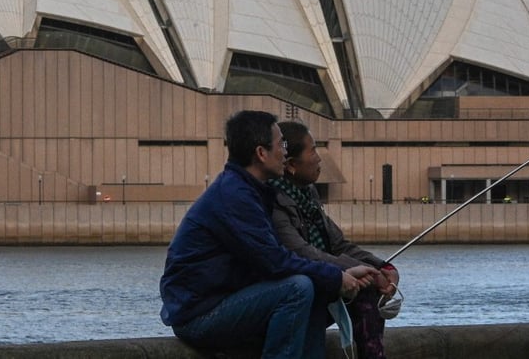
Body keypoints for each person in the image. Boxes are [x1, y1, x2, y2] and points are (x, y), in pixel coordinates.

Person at [160, 110, 378, 359]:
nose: (285, 152)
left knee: (314, 287)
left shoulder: (249, 190)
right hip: (198, 315)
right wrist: (337, 277)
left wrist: (338, 276)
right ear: (261, 153)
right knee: (298, 288)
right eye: (280, 144)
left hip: (222, 301)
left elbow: (276, 261)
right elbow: (275, 262)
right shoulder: (235, 196)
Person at [270, 120, 401, 359]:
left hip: (320, 279)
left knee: (367, 287)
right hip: (298, 289)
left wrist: (382, 266)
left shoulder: (307, 193)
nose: (319, 158)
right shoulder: (273, 200)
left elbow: (338, 244)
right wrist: (365, 272)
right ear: (291, 165)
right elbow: (301, 251)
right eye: (313, 150)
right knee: (363, 286)